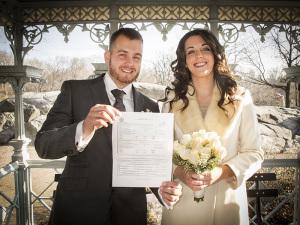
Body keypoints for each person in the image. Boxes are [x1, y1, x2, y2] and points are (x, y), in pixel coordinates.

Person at [35, 28, 182, 225]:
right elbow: (43, 145)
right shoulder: (74, 91)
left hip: (130, 214)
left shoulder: (150, 106)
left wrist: (162, 191)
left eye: (136, 57)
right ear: (108, 56)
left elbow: (150, 163)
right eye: (123, 55)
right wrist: (84, 127)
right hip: (77, 211)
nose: (130, 63)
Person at [161, 29, 264, 225]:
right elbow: (161, 150)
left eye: (205, 49)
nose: (198, 56)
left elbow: (254, 153)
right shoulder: (171, 99)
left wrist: (222, 172)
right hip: (182, 203)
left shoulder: (240, 97)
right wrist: (180, 172)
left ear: (216, 54)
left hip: (226, 203)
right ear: (184, 59)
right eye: (190, 51)